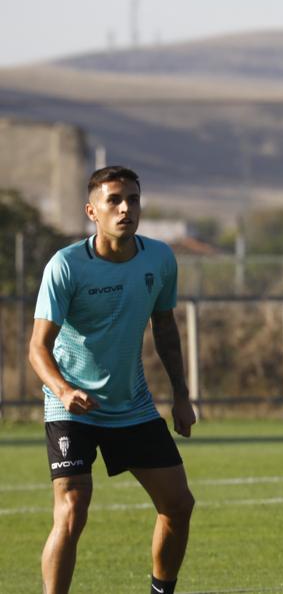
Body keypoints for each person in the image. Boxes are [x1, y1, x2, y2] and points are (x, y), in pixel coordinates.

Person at [28, 166, 197, 594]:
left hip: (131, 404)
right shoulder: (66, 266)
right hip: (71, 406)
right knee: (72, 508)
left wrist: (181, 395)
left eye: (134, 200)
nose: (126, 208)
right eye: (115, 201)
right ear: (92, 211)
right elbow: (37, 348)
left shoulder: (159, 258)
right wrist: (64, 391)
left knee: (178, 505)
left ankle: (162, 591)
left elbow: (165, 329)